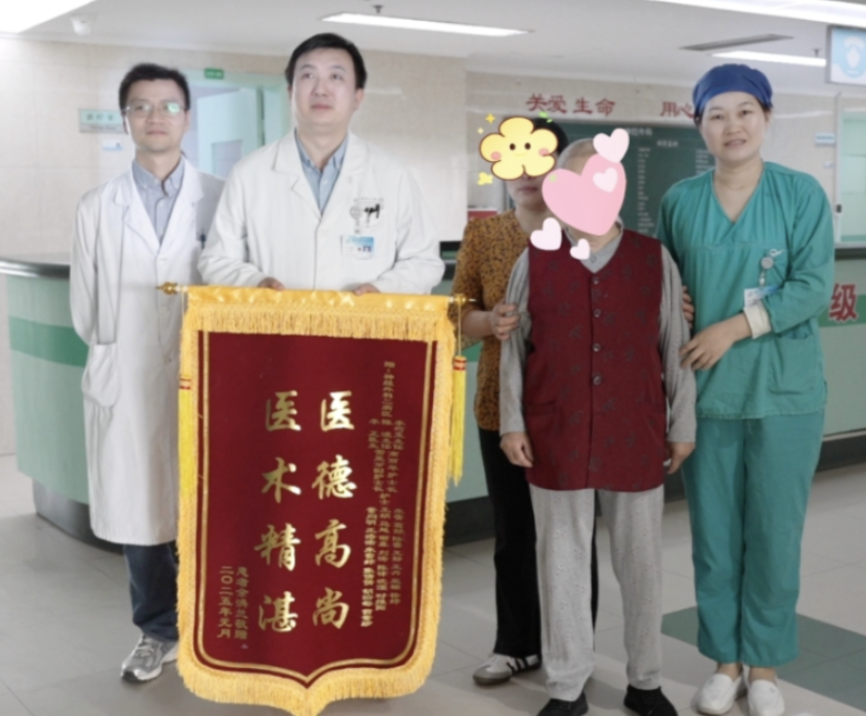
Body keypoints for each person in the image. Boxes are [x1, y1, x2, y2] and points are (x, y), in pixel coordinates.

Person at [657, 64, 834, 716]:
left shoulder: (800, 195)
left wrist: (733, 326)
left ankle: (764, 667)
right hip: (707, 395)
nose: (732, 126)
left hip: (786, 392)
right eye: (717, 115)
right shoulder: (680, 201)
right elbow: (662, 283)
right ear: (698, 124)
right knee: (714, 536)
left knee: (774, 535)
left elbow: (812, 287)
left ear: (766, 117)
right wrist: (671, 302)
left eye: (745, 112)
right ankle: (724, 662)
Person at [500, 139, 696, 716]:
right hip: (555, 428)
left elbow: (674, 343)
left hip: (636, 427)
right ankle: (566, 687)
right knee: (560, 562)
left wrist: (682, 422)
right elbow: (513, 348)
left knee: (641, 563)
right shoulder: (535, 258)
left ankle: (646, 680)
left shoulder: (652, 258)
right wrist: (512, 422)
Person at [70, 63, 224, 682]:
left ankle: (217, 627)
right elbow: (86, 309)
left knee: (212, 502)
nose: (155, 117)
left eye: (168, 105)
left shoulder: (221, 197)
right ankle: (158, 631)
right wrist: (124, 348)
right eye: (141, 106)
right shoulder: (96, 207)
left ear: (188, 117)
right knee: (140, 506)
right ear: (125, 118)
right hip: (127, 372)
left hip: (207, 374)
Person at [451, 120, 601, 687]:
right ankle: (515, 645)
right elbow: (456, 317)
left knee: (571, 535)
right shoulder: (484, 237)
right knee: (513, 533)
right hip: (501, 406)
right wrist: (489, 321)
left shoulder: (589, 233)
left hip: (571, 409)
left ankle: (573, 647)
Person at [198, 32, 443, 294]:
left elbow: (424, 261)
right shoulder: (249, 173)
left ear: (357, 96)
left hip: (364, 320)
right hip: (277, 319)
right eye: (308, 75)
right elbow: (217, 260)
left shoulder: (392, 174)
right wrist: (255, 283)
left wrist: (382, 291)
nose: (320, 89)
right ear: (291, 92)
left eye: (336, 77)